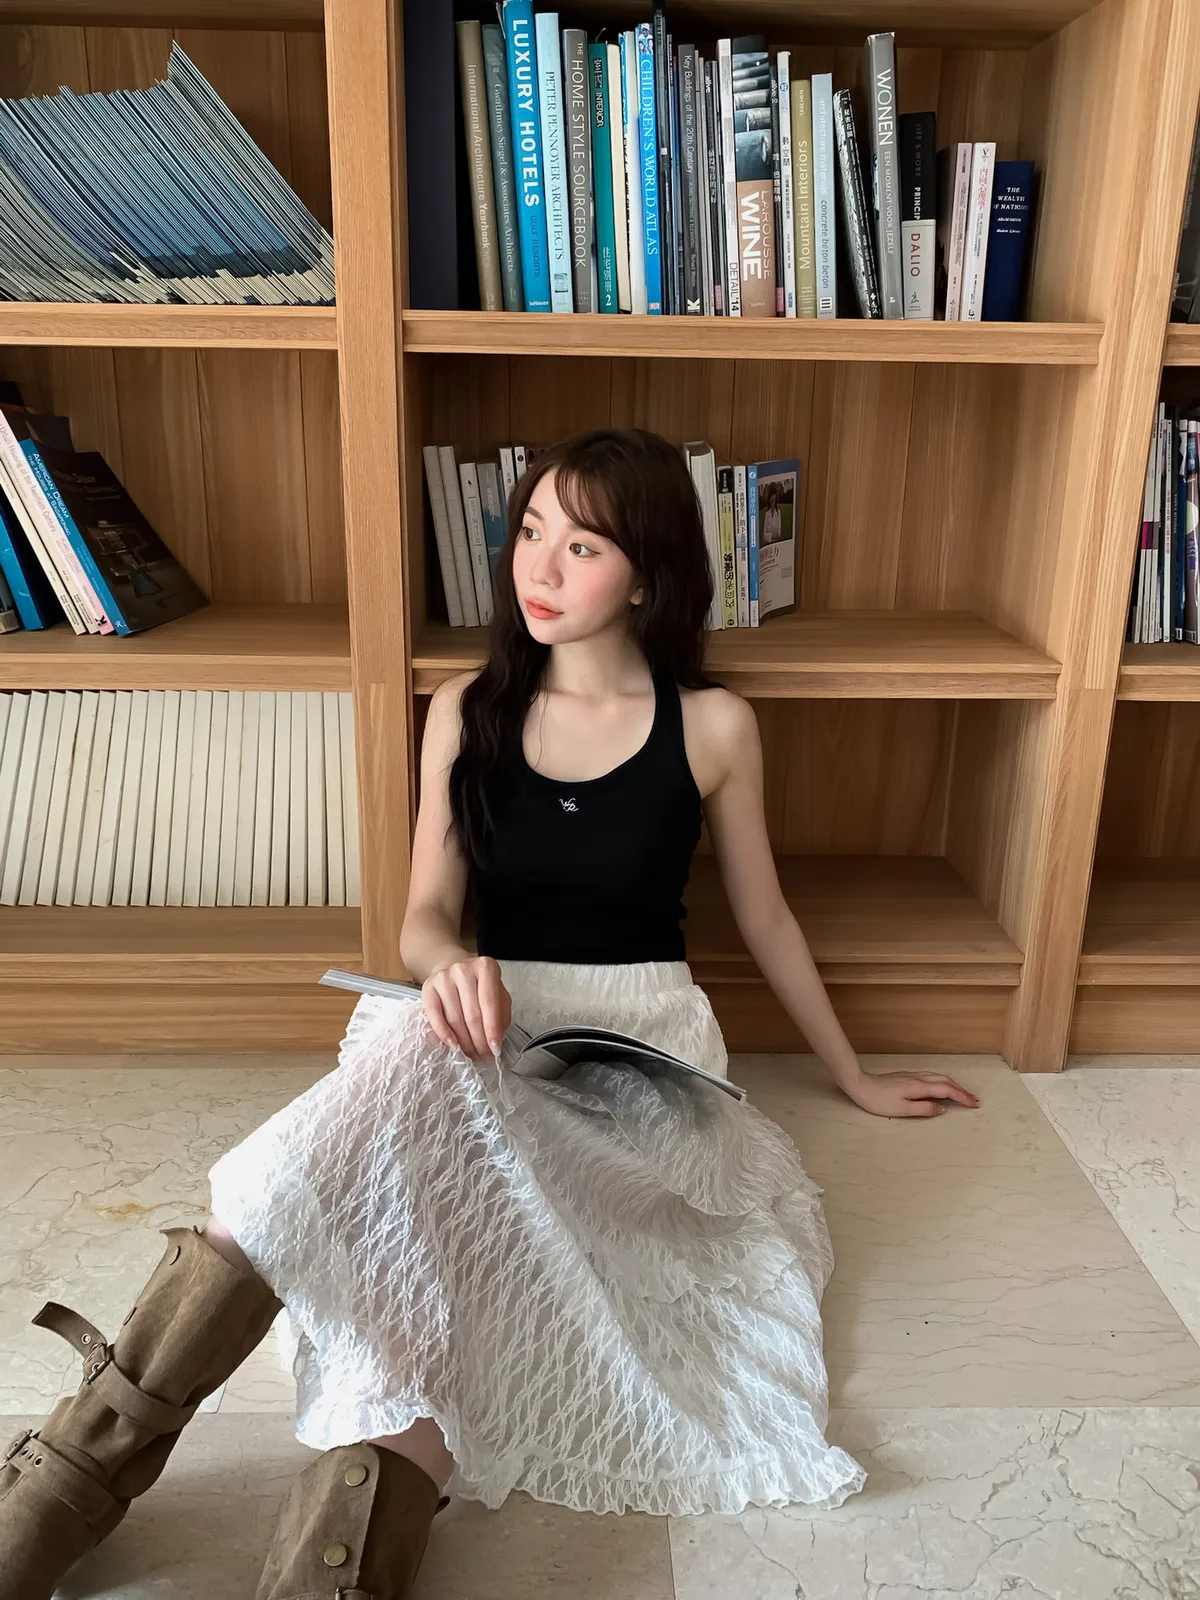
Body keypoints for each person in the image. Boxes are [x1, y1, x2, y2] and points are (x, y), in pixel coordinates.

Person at [0, 427, 980, 1600]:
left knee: (451, 1247)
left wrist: (855, 1072)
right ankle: (79, 1476)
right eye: (530, 531)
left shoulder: (715, 725)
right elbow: (423, 918)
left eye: (584, 546)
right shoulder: (467, 708)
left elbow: (765, 917)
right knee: (402, 1095)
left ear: (650, 575)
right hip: (480, 1017)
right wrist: (454, 964)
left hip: (638, 1051)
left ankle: (76, 1482)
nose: (540, 568)